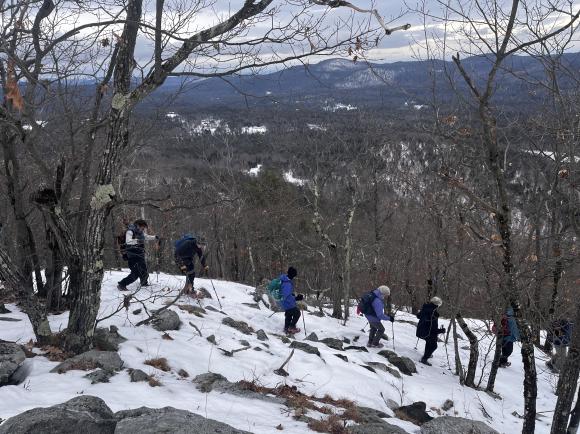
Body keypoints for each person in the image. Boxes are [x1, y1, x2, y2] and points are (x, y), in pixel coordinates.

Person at [117, 219, 159, 291]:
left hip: (140, 253)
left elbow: (145, 237)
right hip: (132, 254)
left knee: (144, 269)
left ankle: (144, 282)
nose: (143, 229)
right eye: (143, 227)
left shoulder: (140, 232)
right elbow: (128, 241)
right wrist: (137, 241)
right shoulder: (130, 231)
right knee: (136, 272)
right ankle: (122, 284)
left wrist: (155, 237)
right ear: (138, 225)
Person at [416, 296, 445, 366]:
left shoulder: (425, 308)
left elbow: (418, 316)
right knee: (434, 345)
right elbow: (433, 329)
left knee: (429, 342)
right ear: (437, 305)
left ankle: (427, 354)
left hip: (420, 331)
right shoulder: (434, 313)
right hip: (428, 333)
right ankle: (424, 358)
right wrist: (441, 331)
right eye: (439, 305)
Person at [279, 267, 303, 335]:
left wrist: (293, 296)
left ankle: (286, 328)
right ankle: (291, 327)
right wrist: (296, 298)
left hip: (283, 302)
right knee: (297, 313)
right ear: (292, 275)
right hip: (287, 302)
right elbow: (286, 296)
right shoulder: (287, 283)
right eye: (294, 275)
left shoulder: (285, 280)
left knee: (289, 314)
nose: (294, 277)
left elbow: (287, 294)